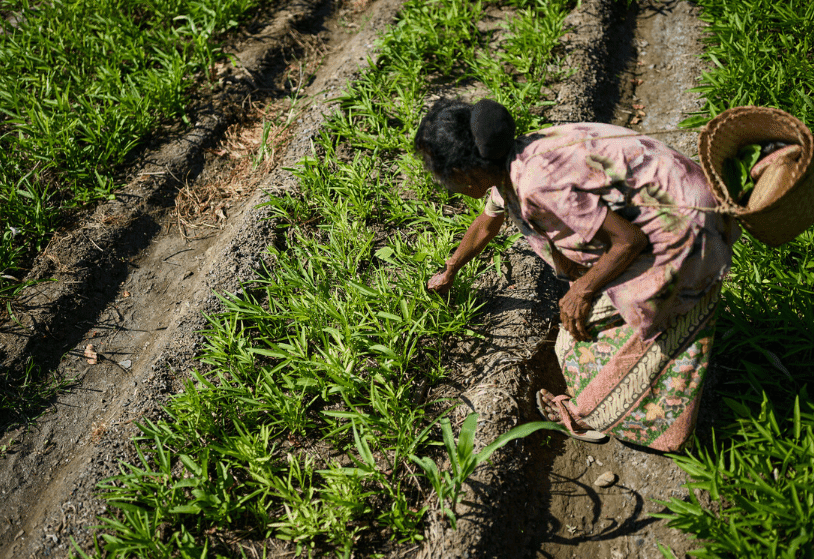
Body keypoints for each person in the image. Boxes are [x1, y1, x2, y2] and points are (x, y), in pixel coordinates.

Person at [414, 98, 740, 452]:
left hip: (683, 231)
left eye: (446, 177)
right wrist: (450, 269)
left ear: (468, 172)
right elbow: (486, 223)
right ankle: (665, 356)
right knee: (625, 324)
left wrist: (583, 290)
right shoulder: (515, 158)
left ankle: (591, 413)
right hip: (684, 205)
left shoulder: (538, 183)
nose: (448, 186)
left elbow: (629, 240)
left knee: (581, 338)